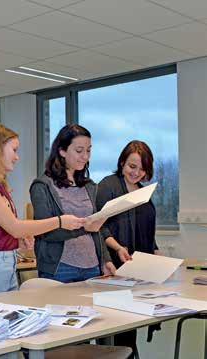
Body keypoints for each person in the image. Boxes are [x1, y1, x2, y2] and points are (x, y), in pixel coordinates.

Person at [0, 123, 86, 295]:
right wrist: (60, 221)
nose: (17, 157)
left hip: (2, 264)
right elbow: (15, 227)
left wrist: (16, 242)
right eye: (14, 150)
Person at [97, 140, 159, 358]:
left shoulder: (144, 193)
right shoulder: (108, 185)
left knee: (130, 326)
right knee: (115, 328)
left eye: (142, 169)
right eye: (132, 166)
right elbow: (99, 225)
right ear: (122, 162)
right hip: (113, 264)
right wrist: (117, 247)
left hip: (138, 269)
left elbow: (148, 229)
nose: (137, 173)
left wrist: (156, 252)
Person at [30, 124, 115, 283]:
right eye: (79, 150)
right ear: (62, 151)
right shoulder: (42, 186)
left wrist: (105, 259)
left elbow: (97, 228)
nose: (85, 156)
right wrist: (84, 228)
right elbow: (45, 232)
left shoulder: (90, 186)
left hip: (92, 266)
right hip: (59, 268)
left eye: (88, 150)